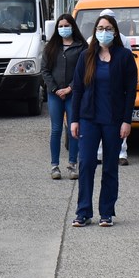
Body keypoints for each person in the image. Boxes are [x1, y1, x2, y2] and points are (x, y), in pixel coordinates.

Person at [69, 14, 138, 228]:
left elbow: (131, 91)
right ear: (95, 32)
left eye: (108, 28)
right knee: (87, 164)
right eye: (100, 28)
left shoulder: (125, 56)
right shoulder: (86, 56)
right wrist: (74, 120)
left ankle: (106, 212)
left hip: (113, 120)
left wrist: (127, 120)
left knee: (110, 166)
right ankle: (83, 212)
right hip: (89, 119)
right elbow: (78, 89)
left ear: (115, 32)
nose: (104, 32)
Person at [41, 13, 85, 179]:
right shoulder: (51, 47)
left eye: (66, 25)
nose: (63, 29)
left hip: (73, 94)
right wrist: (54, 89)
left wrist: (70, 88)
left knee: (74, 128)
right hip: (55, 95)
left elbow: (84, 71)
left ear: (72, 26)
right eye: (60, 26)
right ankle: (55, 166)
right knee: (56, 129)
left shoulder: (82, 47)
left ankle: (73, 164)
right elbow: (45, 70)